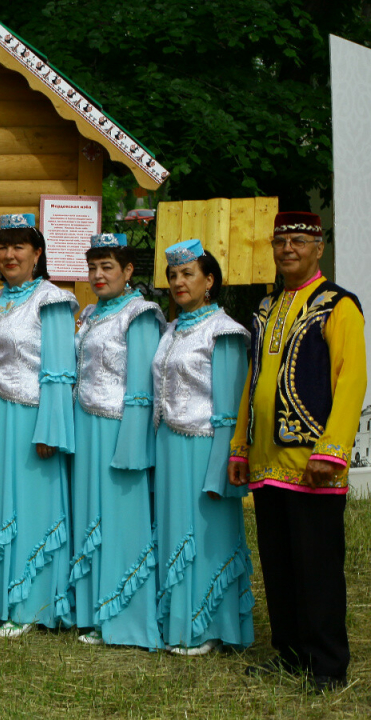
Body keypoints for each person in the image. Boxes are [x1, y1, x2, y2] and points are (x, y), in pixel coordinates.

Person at [229, 212, 365, 691]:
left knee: (318, 566)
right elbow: (252, 381)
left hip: (312, 461)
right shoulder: (266, 308)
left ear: (318, 247)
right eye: (281, 241)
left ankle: (327, 664)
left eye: (299, 242)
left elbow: (352, 379)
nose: (288, 249)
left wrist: (332, 449)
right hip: (267, 459)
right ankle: (289, 653)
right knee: (280, 561)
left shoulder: (337, 305)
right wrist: (240, 446)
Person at [0, 212, 77, 638]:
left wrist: (52, 428)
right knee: (2, 501)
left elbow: (60, 370)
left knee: (34, 505)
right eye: (3, 246)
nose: (10, 254)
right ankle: (1, 601)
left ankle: (35, 605)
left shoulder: (52, 300)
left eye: (19, 246)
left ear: (37, 254)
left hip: (35, 414)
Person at [152, 239, 254, 655]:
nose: (179, 282)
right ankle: (178, 622)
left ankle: (211, 625)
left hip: (204, 448)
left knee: (208, 536)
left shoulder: (225, 331)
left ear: (209, 280)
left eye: (188, 274)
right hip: (169, 445)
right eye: (173, 275)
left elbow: (230, 410)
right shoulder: (172, 329)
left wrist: (223, 465)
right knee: (177, 532)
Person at [69, 233, 165, 649]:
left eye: (107, 267)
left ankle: (126, 617)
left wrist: (133, 443)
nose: (98, 275)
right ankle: (92, 612)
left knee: (122, 519)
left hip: (119, 426)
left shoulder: (140, 314)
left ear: (128, 271)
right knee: (91, 515)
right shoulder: (90, 313)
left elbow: (143, 385)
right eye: (93, 267)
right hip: (86, 424)